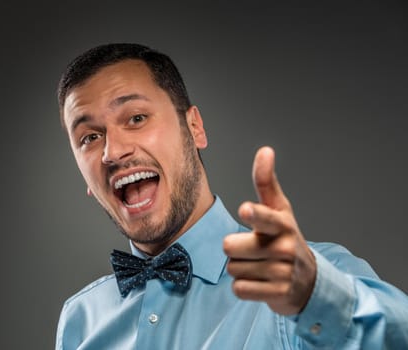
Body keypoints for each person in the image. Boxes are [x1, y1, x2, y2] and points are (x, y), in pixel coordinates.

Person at [55, 43, 408, 349]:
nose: (112, 152)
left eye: (136, 118)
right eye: (89, 138)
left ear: (194, 127)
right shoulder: (79, 319)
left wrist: (317, 297)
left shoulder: (306, 280)